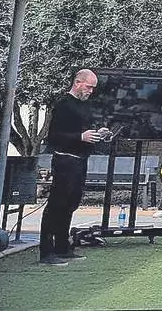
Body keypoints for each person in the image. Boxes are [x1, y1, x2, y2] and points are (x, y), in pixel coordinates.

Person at [40, 69, 104, 266]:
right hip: (65, 159)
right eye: (88, 87)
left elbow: (84, 132)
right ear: (77, 83)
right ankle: (46, 250)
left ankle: (62, 246)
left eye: (93, 88)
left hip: (80, 159)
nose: (91, 91)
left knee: (70, 204)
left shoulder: (84, 107)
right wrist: (79, 137)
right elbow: (53, 137)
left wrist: (98, 134)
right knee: (56, 205)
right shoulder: (63, 105)